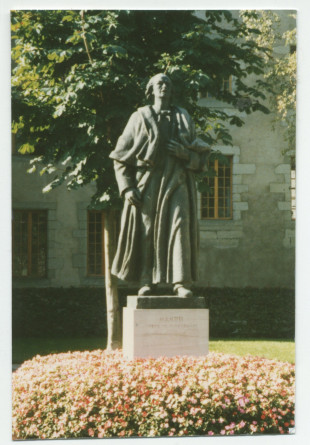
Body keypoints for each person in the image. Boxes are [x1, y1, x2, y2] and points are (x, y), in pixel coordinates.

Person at [109, 73, 210, 297]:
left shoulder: (183, 117)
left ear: (172, 91)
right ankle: (146, 281)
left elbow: (201, 158)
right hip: (149, 181)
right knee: (147, 229)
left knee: (180, 225)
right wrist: (126, 187)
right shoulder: (139, 117)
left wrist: (186, 155)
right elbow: (120, 156)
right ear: (151, 90)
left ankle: (181, 282)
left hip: (178, 180)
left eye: (167, 84)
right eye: (159, 83)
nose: (163, 87)